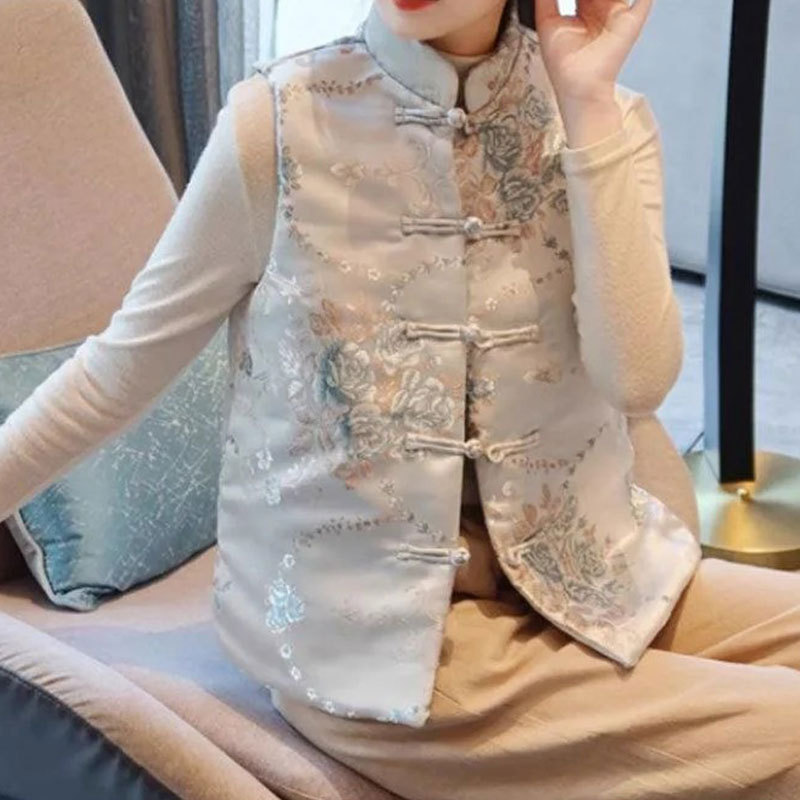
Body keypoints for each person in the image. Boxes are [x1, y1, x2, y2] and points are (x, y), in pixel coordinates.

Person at [1, 0, 800, 797]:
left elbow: (637, 382)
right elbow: (117, 369)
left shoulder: (603, 117)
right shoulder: (277, 123)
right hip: (376, 656)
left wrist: (588, 108)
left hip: (588, 575)